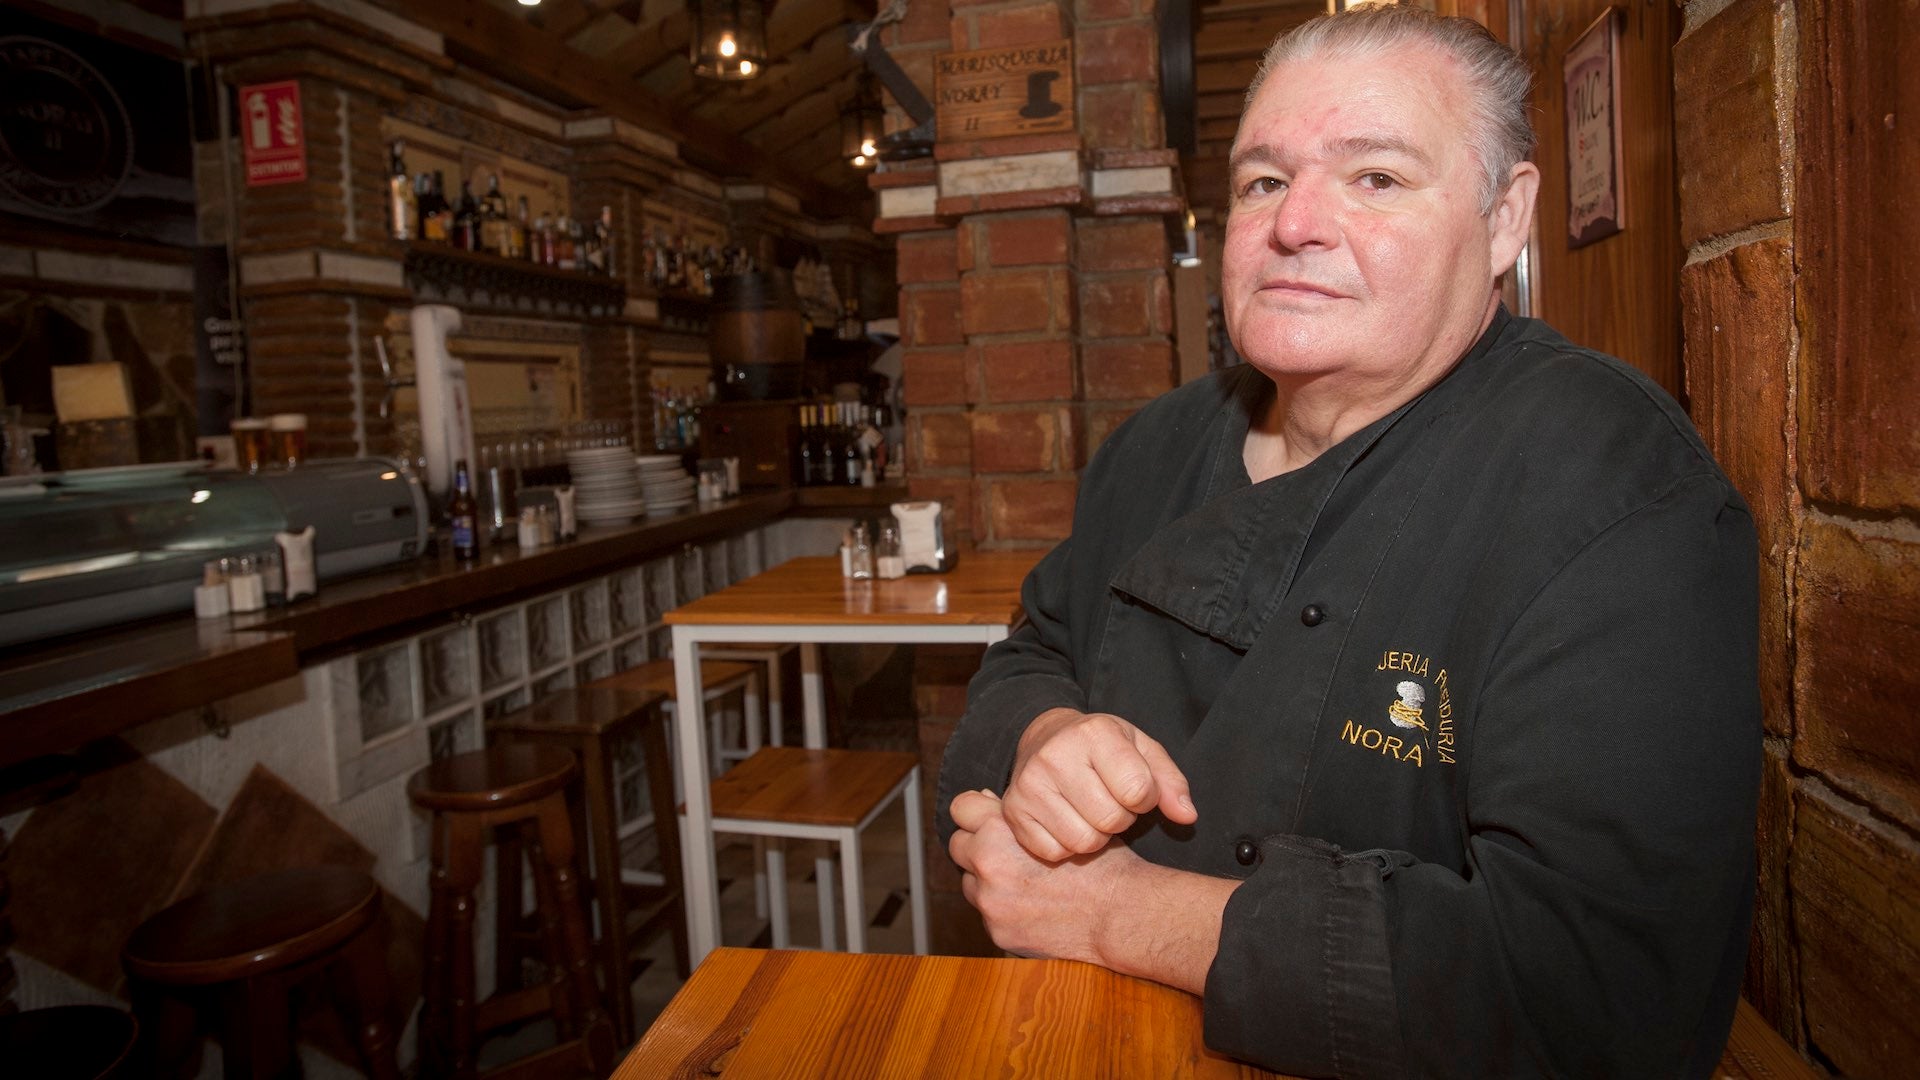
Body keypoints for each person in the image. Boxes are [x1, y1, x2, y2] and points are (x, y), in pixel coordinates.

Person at [937, 8, 1760, 1079]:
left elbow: (1594, 990)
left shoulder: (1616, 488)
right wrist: (1045, 738)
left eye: (1375, 178)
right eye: (1262, 182)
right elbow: (1028, 652)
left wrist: (1115, 913)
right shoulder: (1155, 444)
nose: (1296, 225)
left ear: (1506, 219)